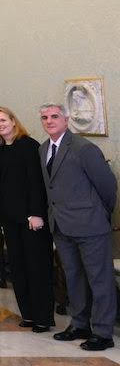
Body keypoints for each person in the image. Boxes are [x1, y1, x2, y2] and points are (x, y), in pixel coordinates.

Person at [39, 102, 117, 350]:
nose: (49, 121)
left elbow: (108, 186)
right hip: (61, 226)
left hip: (90, 226)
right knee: (74, 278)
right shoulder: (43, 149)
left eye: (54, 116)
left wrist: (102, 214)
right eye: (45, 117)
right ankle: (80, 323)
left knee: (99, 279)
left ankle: (103, 332)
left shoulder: (84, 148)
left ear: (66, 119)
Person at [0, 107, 53, 332]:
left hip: (31, 219)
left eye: (3, 120)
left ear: (14, 121)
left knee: (37, 267)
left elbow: (36, 183)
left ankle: (43, 317)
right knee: (19, 268)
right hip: (10, 218)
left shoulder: (29, 146)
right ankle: (28, 315)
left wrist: (36, 214)